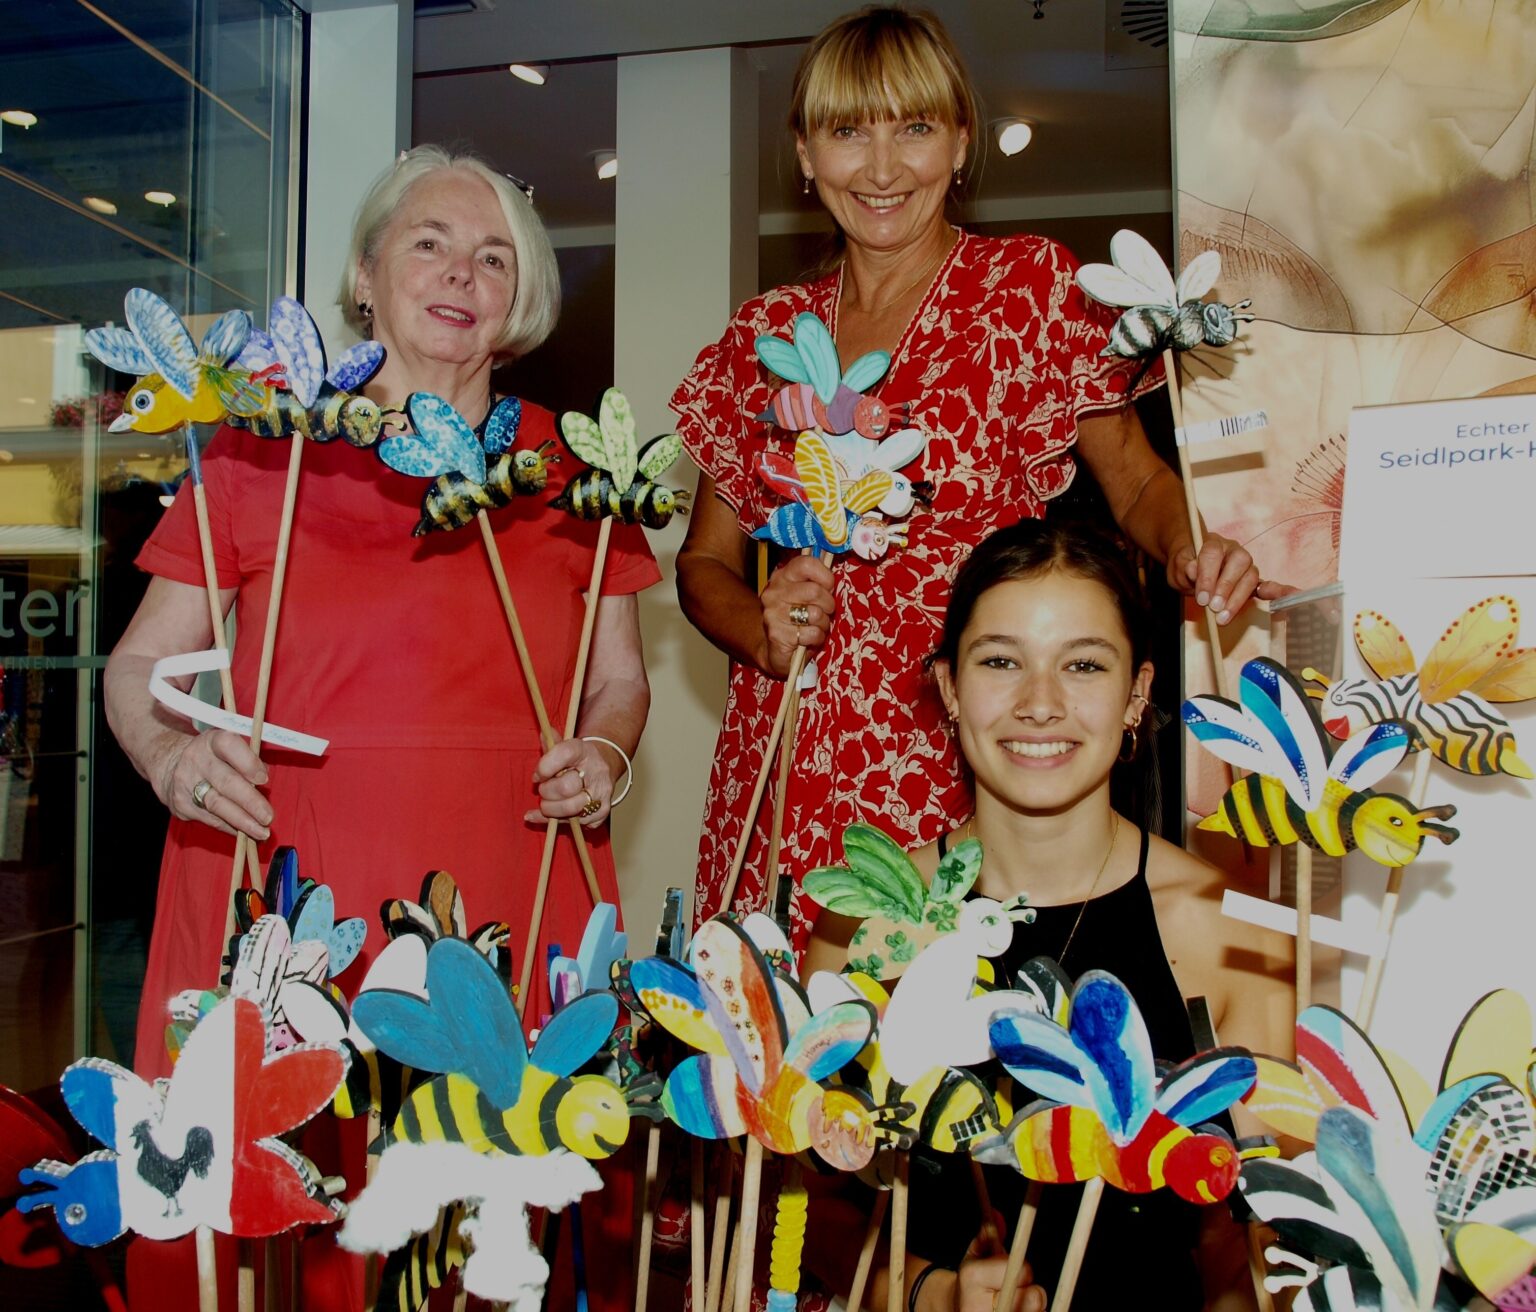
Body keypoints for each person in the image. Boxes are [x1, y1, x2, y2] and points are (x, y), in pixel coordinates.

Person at [104, 144, 658, 1309]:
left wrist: (606, 752)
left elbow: (618, 680)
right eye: (430, 244)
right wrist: (170, 757)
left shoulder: (576, 468)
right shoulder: (265, 442)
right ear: (365, 275)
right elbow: (141, 665)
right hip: (281, 875)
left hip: (512, 878)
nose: (462, 274)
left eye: (494, 258)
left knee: (492, 1234)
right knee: (281, 1224)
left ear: (522, 298)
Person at [673, 5, 1284, 954]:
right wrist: (759, 629)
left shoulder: (1028, 292)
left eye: (914, 127)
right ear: (804, 153)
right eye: (848, 131)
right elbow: (703, 564)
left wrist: (1189, 547)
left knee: (948, 1011)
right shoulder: (766, 336)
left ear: (960, 142)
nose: (882, 168)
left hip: (964, 742)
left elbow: (1135, 484)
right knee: (773, 1022)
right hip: (781, 753)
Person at [802, 517, 1293, 1311]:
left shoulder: (1231, 934)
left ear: (1137, 693)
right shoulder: (866, 930)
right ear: (949, 687)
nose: (1040, 704)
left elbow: (1252, 1241)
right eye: (1001, 661)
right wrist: (930, 1294)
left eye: (1084, 665)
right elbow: (813, 1203)